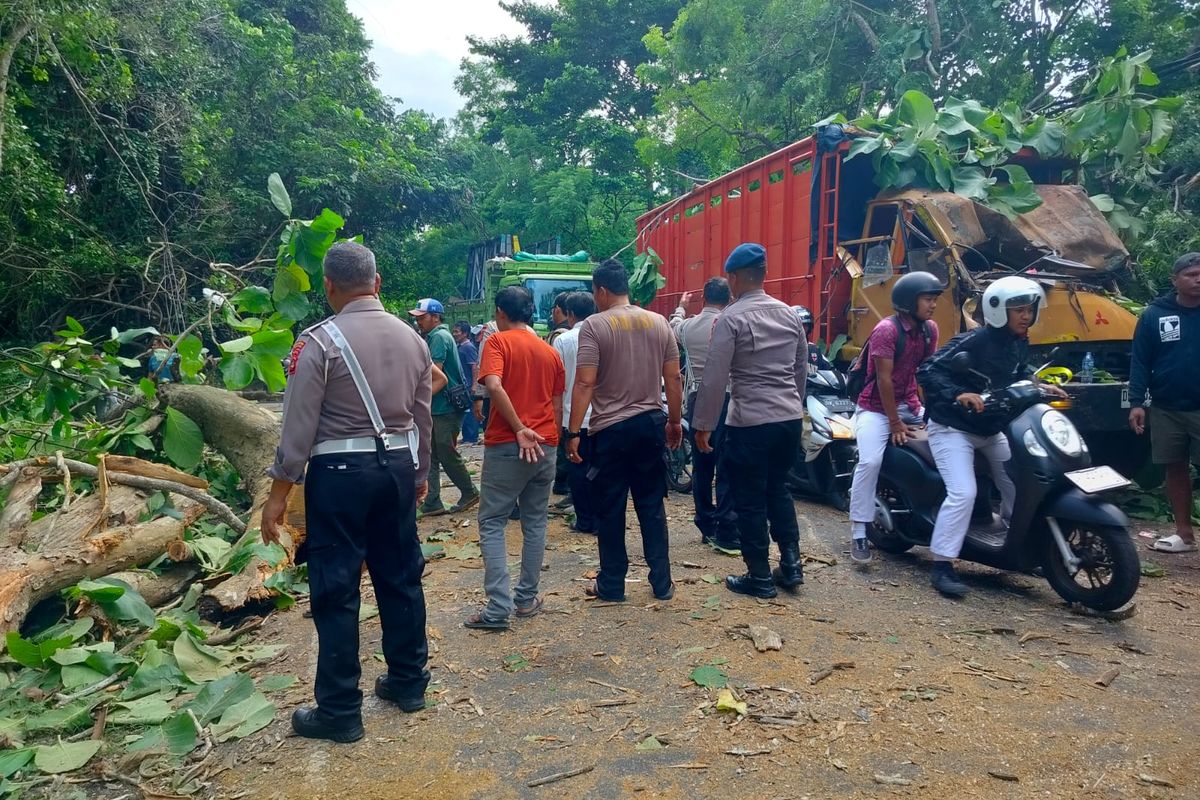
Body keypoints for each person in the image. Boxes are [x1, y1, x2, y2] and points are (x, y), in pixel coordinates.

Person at [260, 241, 434, 744]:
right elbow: (421, 417)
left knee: (336, 587)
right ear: (377, 282)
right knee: (401, 575)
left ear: (329, 287)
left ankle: (339, 708)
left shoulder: (317, 342)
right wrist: (419, 474)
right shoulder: (413, 340)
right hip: (398, 468)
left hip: (339, 473)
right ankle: (408, 682)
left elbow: (297, 427)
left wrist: (278, 495)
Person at [916, 275, 1067, 597]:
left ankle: (1019, 544)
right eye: (1019, 310)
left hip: (990, 428)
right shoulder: (974, 341)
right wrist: (959, 393)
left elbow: (1019, 373)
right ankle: (942, 564)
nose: (1026, 316)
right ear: (999, 311)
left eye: (1030, 309)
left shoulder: (1019, 341)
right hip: (952, 429)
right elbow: (928, 370)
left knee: (1021, 482)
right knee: (963, 493)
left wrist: (1040, 386)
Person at [693, 243, 808, 599]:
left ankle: (759, 576)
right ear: (764, 275)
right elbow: (800, 368)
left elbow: (714, 377)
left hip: (751, 422)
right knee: (779, 490)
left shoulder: (732, 317)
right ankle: (791, 565)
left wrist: (704, 424)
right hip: (788, 419)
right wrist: (794, 406)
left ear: (734, 278)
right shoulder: (788, 314)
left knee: (749, 499)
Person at [566, 259, 683, 602]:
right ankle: (662, 583)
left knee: (611, 506)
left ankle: (613, 584)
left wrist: (573, 432)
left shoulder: (594, 326)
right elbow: (673, 378)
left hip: (611, 430)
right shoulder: (659, 322)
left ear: (601, 290)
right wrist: (674, 421)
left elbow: (585, 382)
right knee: (651, 504)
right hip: (650, 424)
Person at [465, 286, 566, 629]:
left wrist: (520, 427)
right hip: (546, 444)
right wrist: (552, 438)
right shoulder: (549, 351)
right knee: (535, 522)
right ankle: (526, 599)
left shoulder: (497, 342)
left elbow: (492, 384)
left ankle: (497, 608)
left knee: (493, 521)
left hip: (509, 443)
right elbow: (555, 404)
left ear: (500, 312)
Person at [846, 273, 943, 565]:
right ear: (908, 302)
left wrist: (935, 411)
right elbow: (884, 381)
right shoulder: (886, 330)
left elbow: (927, 373)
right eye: (928, 300)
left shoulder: (930, 330)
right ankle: (859, 530)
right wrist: (895, 423)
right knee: (870, 461)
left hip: (910, 404)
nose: (933, 305)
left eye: (934, 299)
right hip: (875, 408)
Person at [1129, 252, 1200, 553]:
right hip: (1166, 407)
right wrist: (1136, 402)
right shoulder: (1154, 315)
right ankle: (1184, 534)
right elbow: (1141, 361)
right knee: (1175, 467)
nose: (1198, 279)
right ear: (1175, 280)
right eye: (1191, 274)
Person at [670, 277, 739, 553]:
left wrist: (680, 307)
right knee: (726, 465)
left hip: (699, 399)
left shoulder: (689, 327)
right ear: (729, 298)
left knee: (702, 466)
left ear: (703, 297)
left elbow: (672, 327)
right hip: (730, 400)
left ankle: (705, 522)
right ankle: (727, 526)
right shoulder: (734, 324)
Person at [409, 298, 479, 516]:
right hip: (438, 407)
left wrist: (416, 401)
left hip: (445, 407)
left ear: (436, 317)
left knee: (445, 451)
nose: (419, 322)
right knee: (431, 453)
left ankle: (469, 491)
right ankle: (432, 500)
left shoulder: (439, 337)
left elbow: (433, 374)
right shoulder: (437, 336)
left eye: (422, 317)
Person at [553, 291, 598, 533]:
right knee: (599, 468)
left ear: (570, 314)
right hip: (601, 415)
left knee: (578, 469)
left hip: (573, 417)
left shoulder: (563, 340)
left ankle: (585, 520)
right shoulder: (604, 335)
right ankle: (601, 517)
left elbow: (557, 384)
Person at [453, 321, 481, 444]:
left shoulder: (468, 347)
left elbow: (474, 367)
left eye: (457, 332)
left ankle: (472, 437)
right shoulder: (459, 347)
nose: (454, 334)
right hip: (463, 386)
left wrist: (474, 385)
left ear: (465, 333)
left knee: (470, 413)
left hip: (469, 385)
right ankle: (467, 436)